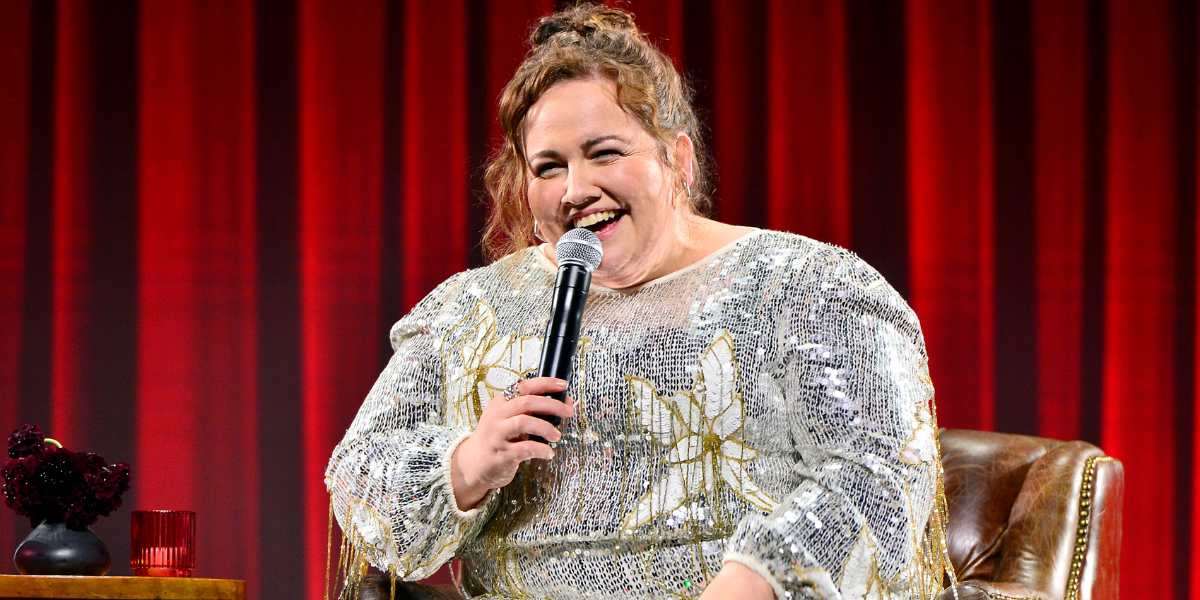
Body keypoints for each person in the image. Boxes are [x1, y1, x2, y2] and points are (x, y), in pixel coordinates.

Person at [326, 5, 954, 599]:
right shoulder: (467, 312)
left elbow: (879, 474)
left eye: (605, 153)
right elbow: (359, 482)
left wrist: (753, 579)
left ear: (676, 159)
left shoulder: (812, 288)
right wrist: (470, 462)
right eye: (548, 167)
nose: (577, 190)